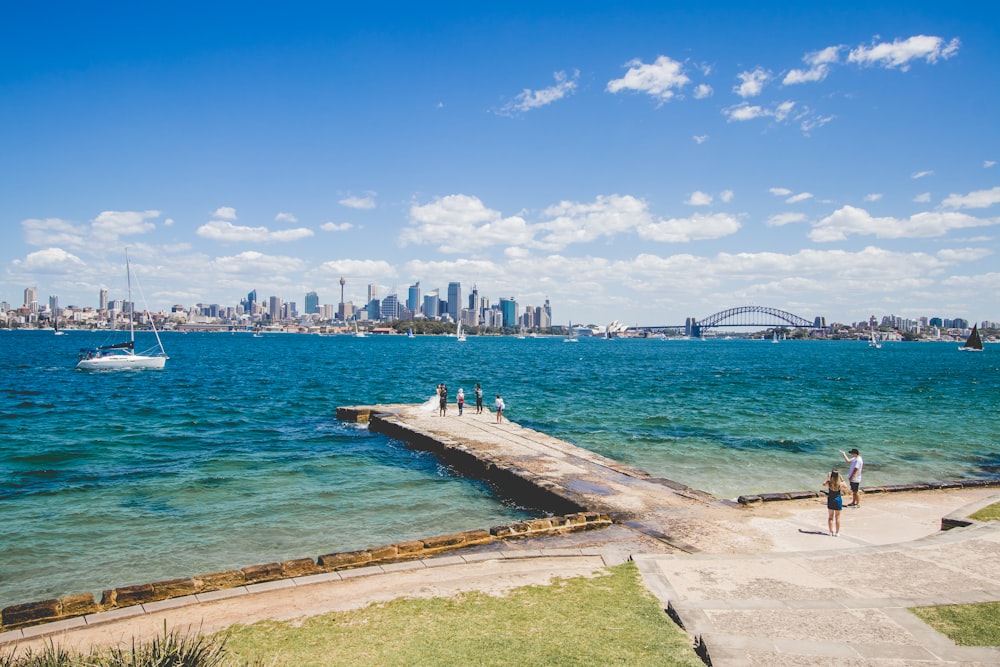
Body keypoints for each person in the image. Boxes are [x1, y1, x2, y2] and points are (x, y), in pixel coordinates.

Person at [823, 469, 848, 536]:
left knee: (830, 517)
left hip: (831, 500)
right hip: (838, 500)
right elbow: (846, 486)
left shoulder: (829, 482)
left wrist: (828, 477)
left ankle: (830, 531)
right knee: (838, 517)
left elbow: (823, 484)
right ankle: (837, 532)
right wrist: (842, 478)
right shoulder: (840, 483)